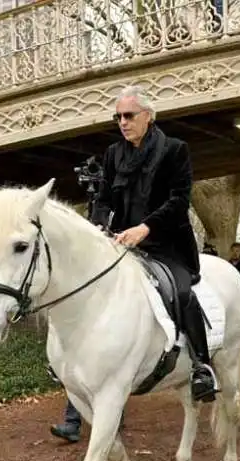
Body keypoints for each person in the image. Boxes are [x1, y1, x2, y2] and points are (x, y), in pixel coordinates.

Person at [90, 85, 217, 402]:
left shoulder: (175, 150)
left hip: (167, 243)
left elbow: (178, 201)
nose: (122, 122)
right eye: (118, 116)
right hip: (121, 242)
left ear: (148, 116)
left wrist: (145, 228)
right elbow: (103, 200)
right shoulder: (113, 154)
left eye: (129, 115)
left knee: (184, 293)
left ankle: (202, 366)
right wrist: (99, 225)